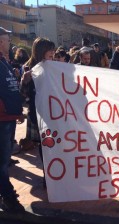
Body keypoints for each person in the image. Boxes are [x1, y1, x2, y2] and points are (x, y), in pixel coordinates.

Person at [20, 37, 55, 185]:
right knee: (44, 146)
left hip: (54, 113)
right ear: (41, 52)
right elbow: (23, 94)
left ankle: (56, 174)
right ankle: (48, 176)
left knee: (55, 145)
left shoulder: (54, 66)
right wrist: (25, 81)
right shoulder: (28, 69)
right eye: (50, 51)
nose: (53, 53)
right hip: (38, 114)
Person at [0, 27, 25, 212]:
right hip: (2, 119)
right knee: (1, 162)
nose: (10, 43)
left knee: (3, 159)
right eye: (7, 40)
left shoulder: (4, 62)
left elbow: (9, 89)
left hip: (8, 118)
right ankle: (8, 197)